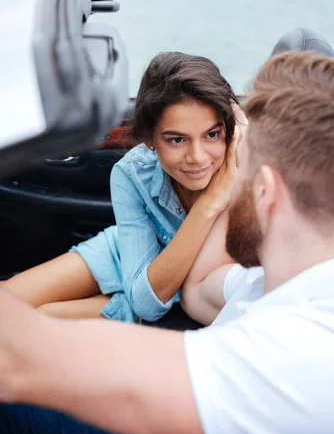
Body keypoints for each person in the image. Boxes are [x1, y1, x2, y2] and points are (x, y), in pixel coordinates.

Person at [1, 52, 334, 434]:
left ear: (266, 190)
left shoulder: (311, 356)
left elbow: (18, 357)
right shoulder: (314, 279)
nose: (220, 171)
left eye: (237, 164)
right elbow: (198, 289)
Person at [3, 52, 243, 323]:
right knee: (6, 301)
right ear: (149, 139)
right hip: (128, 252)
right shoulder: (132, 171)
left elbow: (148, 304)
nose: (197, 156)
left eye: (212, 134)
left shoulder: (252, 172)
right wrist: (210, 202)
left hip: (173, 286)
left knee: (37, 321)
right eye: (177, 140)